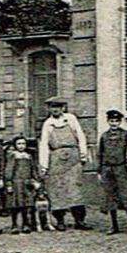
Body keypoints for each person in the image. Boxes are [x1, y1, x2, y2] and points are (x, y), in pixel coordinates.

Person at [37, 95, 91, 230]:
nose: (55, 110)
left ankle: (79, 220)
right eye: (52, 107)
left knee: (75, 189)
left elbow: (81, 137)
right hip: (56, 159)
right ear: (49, 109)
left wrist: (83, 155)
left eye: (58, 107)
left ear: (63, 108)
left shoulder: (71, 119)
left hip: (73, 157)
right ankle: (60, 220)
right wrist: (44, 165)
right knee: (57, 190)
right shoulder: (47, 124)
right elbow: (44, 144)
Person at [4, 137, 40, 233]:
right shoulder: (12, 155)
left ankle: (25, 224)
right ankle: (14, 225)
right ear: (15, 145)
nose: (21, 146)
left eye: (23, 144)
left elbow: (33, 169)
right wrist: (8, 183)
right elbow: (8, 170)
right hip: (16, 183)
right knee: (15, 205)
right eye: (19, 144)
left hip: (26, 183)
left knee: (26, 204)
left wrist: (35, 180)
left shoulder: (28, 156)